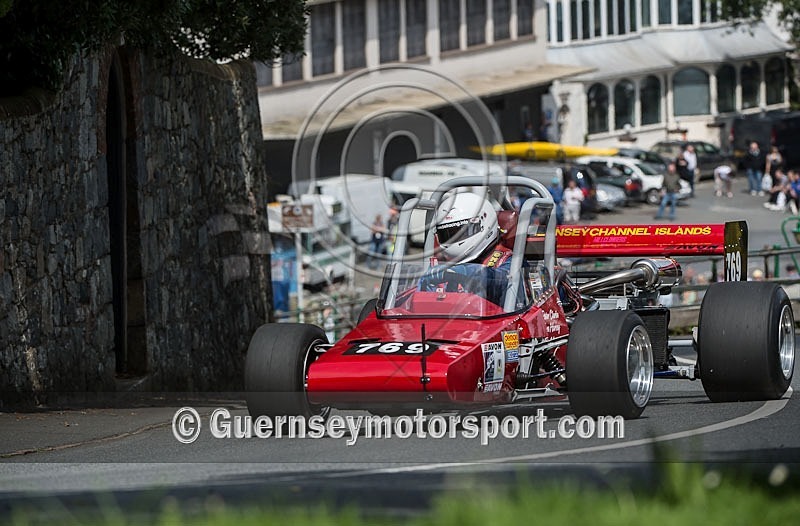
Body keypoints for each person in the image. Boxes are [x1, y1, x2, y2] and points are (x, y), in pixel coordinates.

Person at [417, 192, 524, 306]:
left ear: (483, 224)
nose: (454, 239)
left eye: (460, 232)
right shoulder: (438, 265)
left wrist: (464, 272)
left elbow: (503, 281)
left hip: (493, 320)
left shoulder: (508, 262)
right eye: (447, 234)